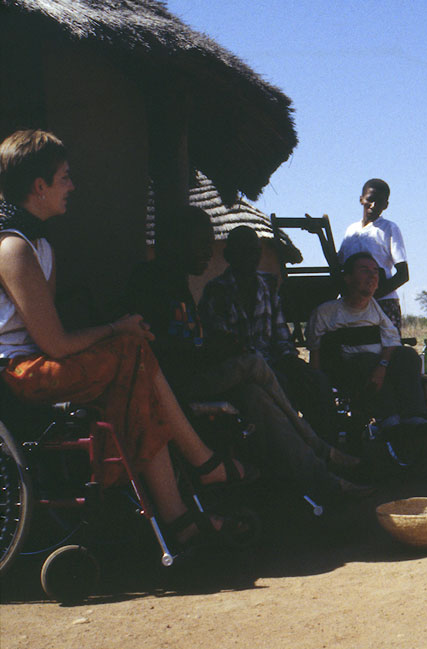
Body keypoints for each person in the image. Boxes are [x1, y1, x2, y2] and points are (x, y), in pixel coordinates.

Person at [0, 129, 251, 548]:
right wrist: (117, 328)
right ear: (39, 187)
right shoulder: (13, 249)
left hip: (42, 365)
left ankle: (179, 511)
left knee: (133, 381)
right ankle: (198, 470)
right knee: (131, 348)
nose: (72, 186)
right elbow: (56, 345)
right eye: (65, 178)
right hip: (18, 374)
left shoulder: (40, 244)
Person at [125, 206, 368, 505]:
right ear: (176, 242)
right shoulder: (152, 281)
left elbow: (202, 337)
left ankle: (325, 483)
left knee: (259, 394)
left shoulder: (182, 282)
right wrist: (209, 347)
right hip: (175, 387)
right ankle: (319, 447)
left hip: (207, 374)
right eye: (201, 244)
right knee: (254, 363)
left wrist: (214, 345)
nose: (206, 252)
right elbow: (156, 348)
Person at [199, 225, 335, 441]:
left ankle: (326, 443)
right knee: (281, 385)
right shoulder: (217, 291)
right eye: (242, 252)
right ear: (228, 255)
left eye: (254, 252)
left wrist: (291, 360)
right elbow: (223, 344)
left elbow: (280, 336)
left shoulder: (267, 286)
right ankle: (293, 446)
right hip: (243, 369)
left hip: (273, 361)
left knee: (315, 381)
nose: (249, 258)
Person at [307, 252, 427, 427]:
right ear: (348, 278)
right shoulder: (326, 313)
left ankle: (414, 416)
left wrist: (382, 366)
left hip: (377, 364)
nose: (372, 276)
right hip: (349, 369)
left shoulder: (375, 309)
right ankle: (387, 418)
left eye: (375, 272)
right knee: (366, 361)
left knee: (408, 355)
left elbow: (392, 341)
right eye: (364, 271)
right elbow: (315, 352)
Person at [336, 178, 408, 332]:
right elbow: (339, 265)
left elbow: (403, 274)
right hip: (354, 304)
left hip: (382, 302)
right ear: (361, 199)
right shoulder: (351, 230)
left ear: (386, 205)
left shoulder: (389, 228)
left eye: (380, 202)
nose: (374, 205)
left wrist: (371, 298)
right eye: (370, 199)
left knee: (388, 349)